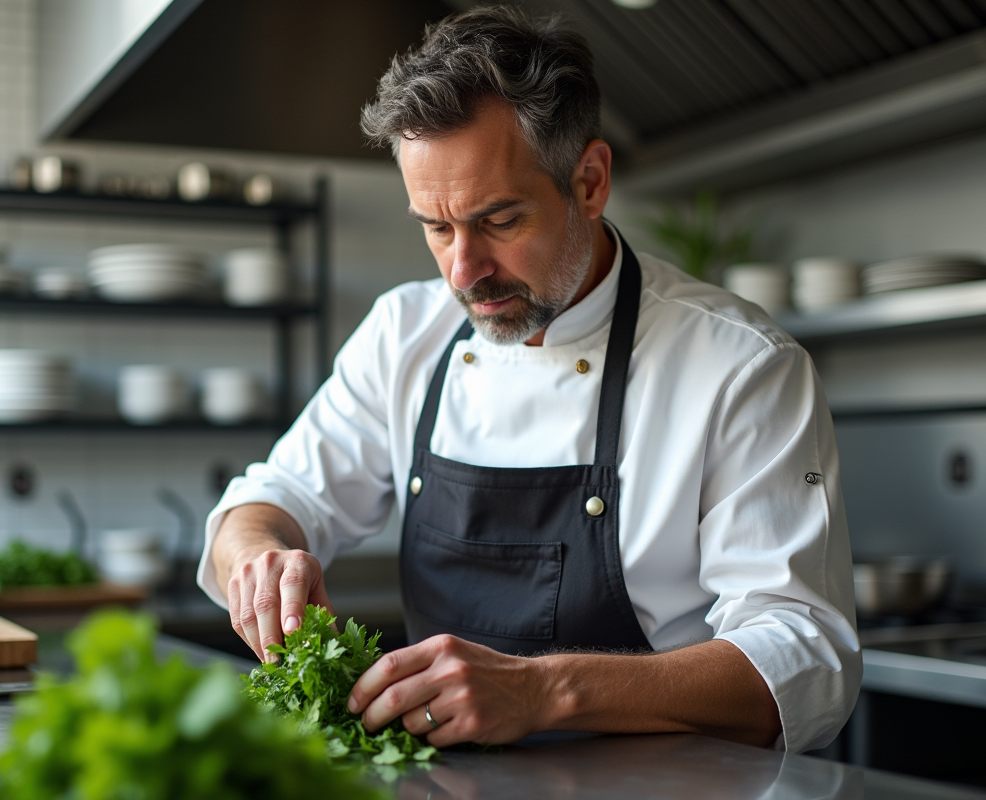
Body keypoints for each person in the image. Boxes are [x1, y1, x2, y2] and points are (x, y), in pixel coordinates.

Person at [197, 5, 860, 754]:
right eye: (436, 227)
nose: (463, 272)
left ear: (589, 181)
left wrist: (544, 690)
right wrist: (259, 556)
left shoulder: (740, 367)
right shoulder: (403, 334)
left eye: (499, 221)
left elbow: (806, 659)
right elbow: (270, 500)